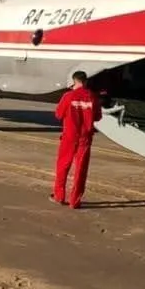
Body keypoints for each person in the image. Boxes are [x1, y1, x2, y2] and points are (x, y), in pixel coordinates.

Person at [52, 70, 102, 208]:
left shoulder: (68, 96)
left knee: (63, 165)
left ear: (74, 81)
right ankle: (75, 200)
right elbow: (97, 117)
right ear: (85, 81)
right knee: (81, 169)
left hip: (69, 135)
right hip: (85, 137)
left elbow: (58, 114)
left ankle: (59, 195)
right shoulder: (92, 97)